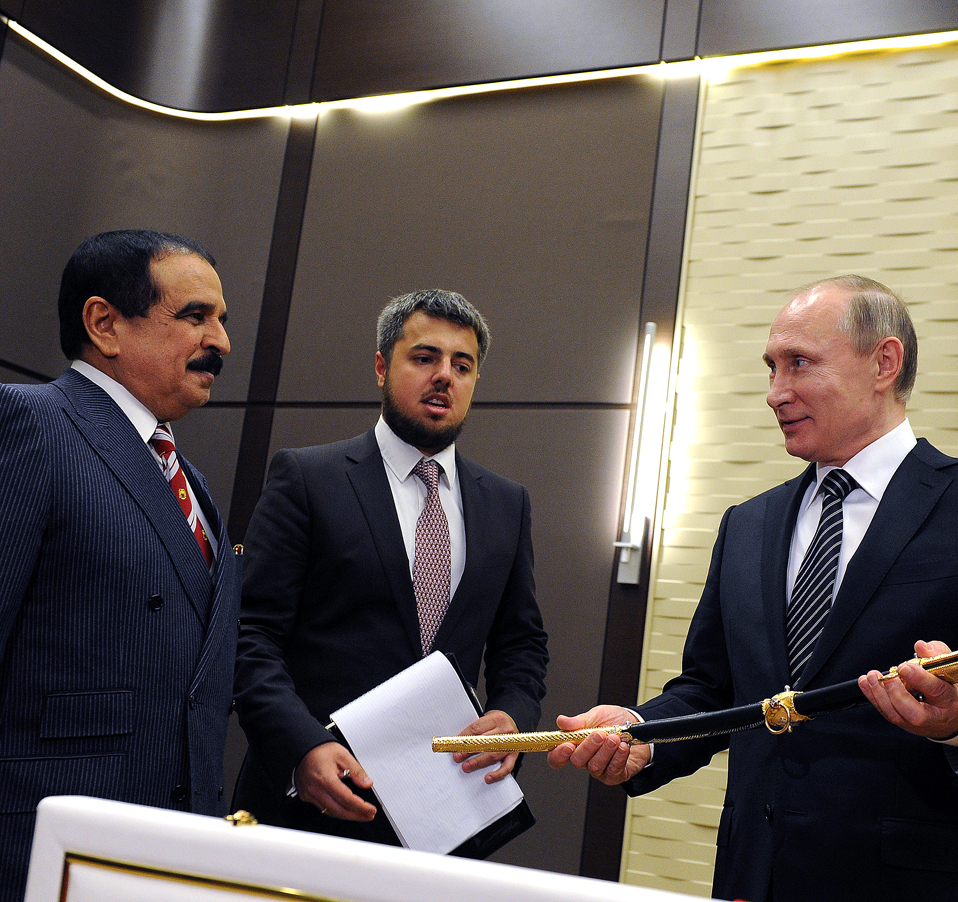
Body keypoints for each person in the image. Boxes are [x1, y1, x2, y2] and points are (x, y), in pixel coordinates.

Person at [549, 275, 958, 901]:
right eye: (770, 369)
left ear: (883, 363)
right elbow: (711, 688)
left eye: (799, 364)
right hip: (753, 876)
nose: (774, 393)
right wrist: (640, 734)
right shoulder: (748, 523)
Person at [232, 288, 548, 847]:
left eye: (462, 364)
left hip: (444, 815)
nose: (444, 376)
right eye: (424, 358)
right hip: (307, 808)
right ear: (382, 367)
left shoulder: (506, 503)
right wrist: (299, 747)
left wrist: (512, 717)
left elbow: (520, 644)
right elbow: (250, 636)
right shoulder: (308, 479)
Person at [0, 230, 239, 899]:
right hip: (44, 850)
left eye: (222, 320)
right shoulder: (27, 425)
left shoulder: (189, 481)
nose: (221, 342)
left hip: (164, 853)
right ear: (104, 324)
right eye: (195, 317)